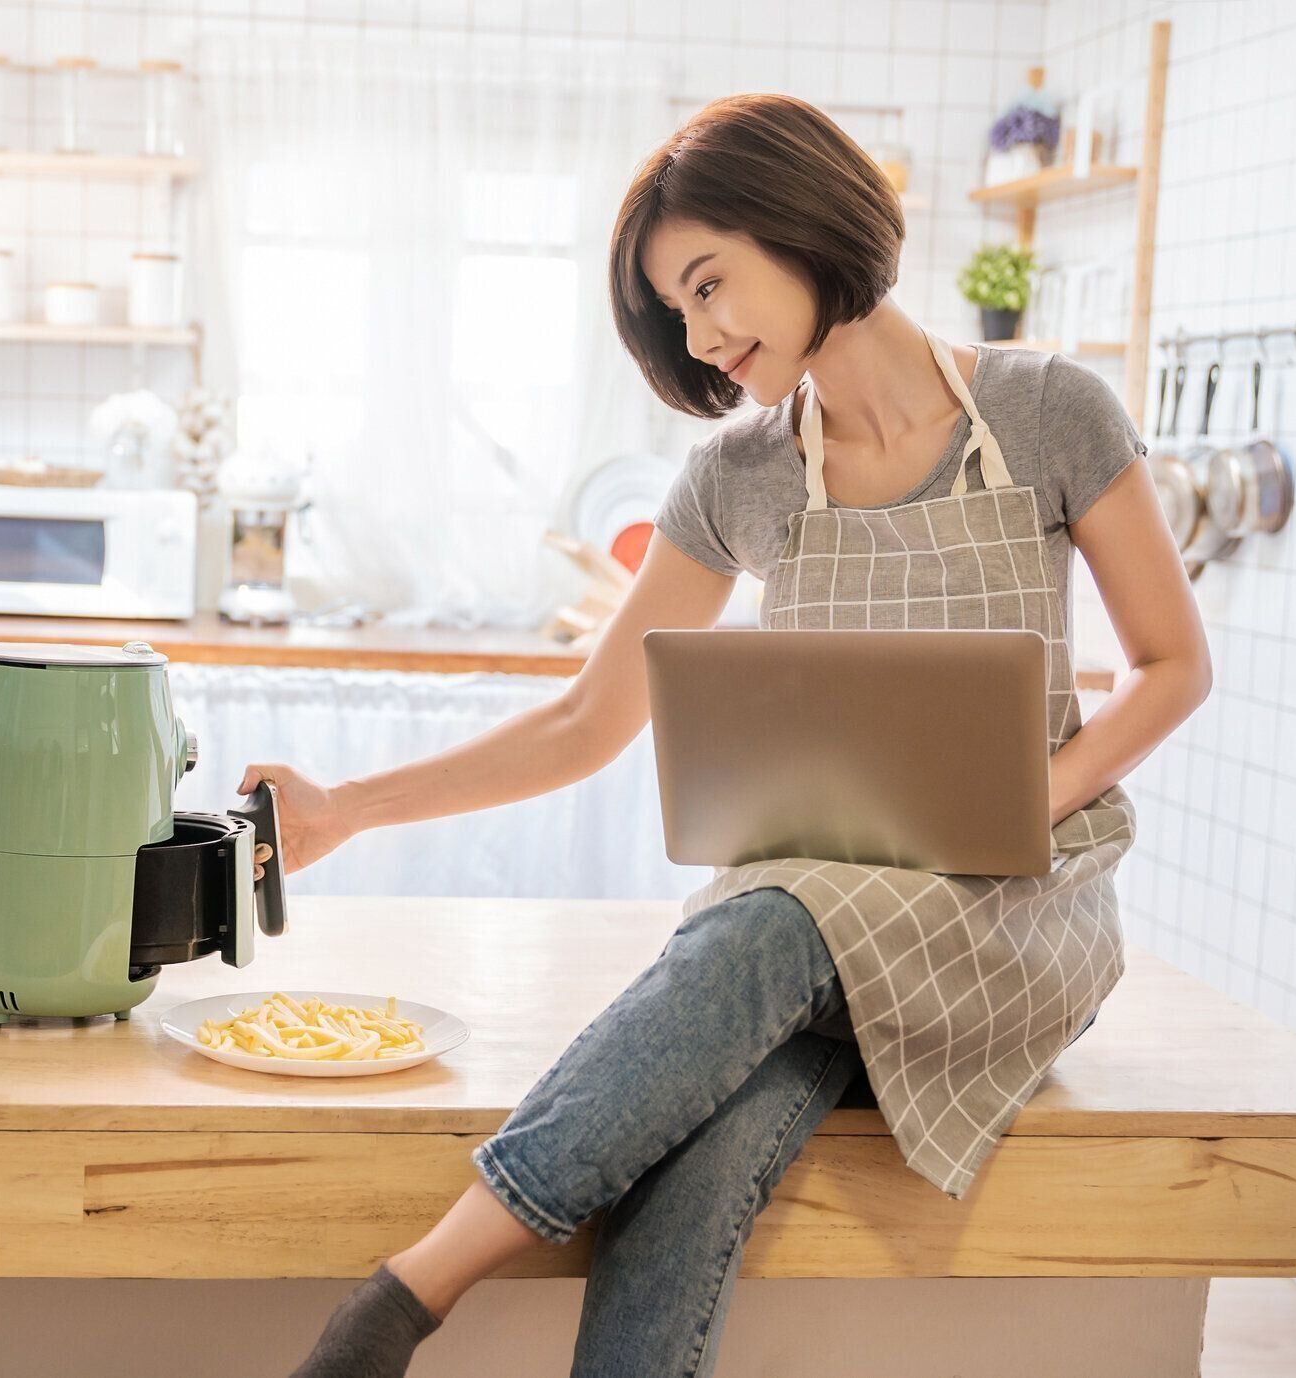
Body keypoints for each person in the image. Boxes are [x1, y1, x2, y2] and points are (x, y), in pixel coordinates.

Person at [258, 92, 1213, 1378]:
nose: (704, 340)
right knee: (694, 1149)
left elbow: (1173, 665)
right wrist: (345, 809)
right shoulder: (740, 475)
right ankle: (394, 1318)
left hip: (1004, 912)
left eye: (711, 287)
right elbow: (589, 719)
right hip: (804, 935)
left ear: (801, 222)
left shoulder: (1049, 413)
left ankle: (404, 1298)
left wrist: (1031, 799)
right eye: (680, 312)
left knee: (764, 918)